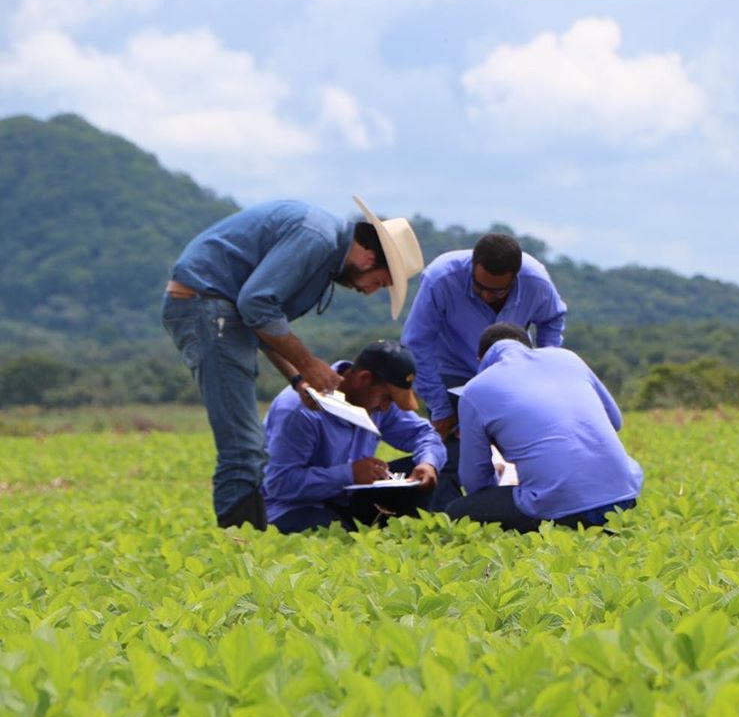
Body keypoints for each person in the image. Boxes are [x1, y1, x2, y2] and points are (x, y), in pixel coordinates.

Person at [161, 195, 424, 530]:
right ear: (370, 256)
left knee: (247, 447)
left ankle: (245, 543)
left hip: (223, 312)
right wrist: (309, 363)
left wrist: (299, 379)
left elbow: (261, 321)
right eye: (381, 282)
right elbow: (256, 305)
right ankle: (236, 550)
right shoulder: (317, 237)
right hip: (208, 308)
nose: (371, 291)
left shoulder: (324, 249)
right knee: (243, 447)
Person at [401, 234, 567, 508]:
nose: (488, 295)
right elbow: (418, 342)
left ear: (514, 278)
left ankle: (530, 509)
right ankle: (448, 520)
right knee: (451, 453)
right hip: (452, 372)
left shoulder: (535, 280)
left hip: (508, 375)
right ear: (472, 267)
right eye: (480, 287)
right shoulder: (441, 278)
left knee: (526, 444)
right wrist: (441, 408)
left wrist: (541, 368)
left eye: (498, 291)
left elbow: (552, 319)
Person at [447, 323, 643, 532]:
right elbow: (615, 421)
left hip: (561, 509)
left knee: (457, 511)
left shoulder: (474, 390)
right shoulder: (569, 358)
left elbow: (474, 482)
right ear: (528, 346)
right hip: (624, 498)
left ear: (480, 360)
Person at [262, 340, 446, 534]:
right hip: (294, 507)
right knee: (335, 535)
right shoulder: (299, 410)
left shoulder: (378, 404)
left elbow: (424, 434)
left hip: (349, 499)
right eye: (387, 397)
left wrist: (428, 463)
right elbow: (279, 484)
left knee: (421, 473)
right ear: (364, 379)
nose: (385, 407)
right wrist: (349, 474)